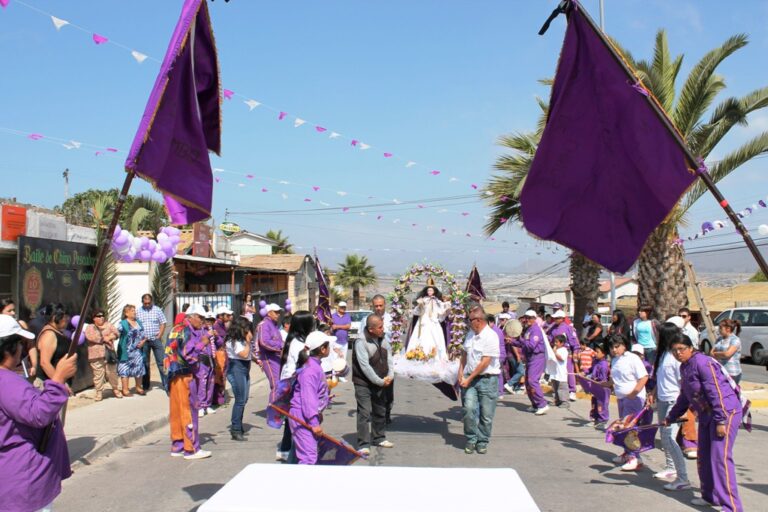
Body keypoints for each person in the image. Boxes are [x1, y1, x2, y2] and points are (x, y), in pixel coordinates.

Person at [0, 315, 78, 512]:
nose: (23, 349)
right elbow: (38, 413)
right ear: (9, 349)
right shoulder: (6, 382)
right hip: (22, 481)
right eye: (20, 343)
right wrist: (58, 378)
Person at [664, 335, 745, 510]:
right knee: (704, 456)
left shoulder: (702, 363)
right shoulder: (685, 366)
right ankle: (710, 496)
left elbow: (716, 392)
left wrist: (720, 420)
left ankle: (731, 506)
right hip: (707, 414)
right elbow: (685, 396)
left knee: (719, 458)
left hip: (725, 412)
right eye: (674, 350)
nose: (678, 353)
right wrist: (670, 417)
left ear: (690, 348)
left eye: (681, 349)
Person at [164, 304, 212, 460]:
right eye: (201, 318)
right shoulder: (187, 331)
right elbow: (189, 354)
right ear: (193, 316)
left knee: (177, 412)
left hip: (172, 375)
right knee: (189, 411)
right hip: (184, 374)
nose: (203, 322)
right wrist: (203, 342)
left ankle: (177, 445)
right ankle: (191, 448)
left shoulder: (175, 328)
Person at [648, 324, 691, 491]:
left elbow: (683, 383)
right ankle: (670, 467)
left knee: (670, 439)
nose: (655, 336)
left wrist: (683, 406)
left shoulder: (675, 357)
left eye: (657, 334)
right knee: (665, 438)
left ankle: (683, 478)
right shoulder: (664, 354)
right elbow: (661, 378)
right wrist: (653, 392)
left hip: (674, 402)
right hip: (663, 400)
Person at [458, 306, 500, 454]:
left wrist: (468, 378)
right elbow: (464, 355)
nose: (468, 323)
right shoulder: (470, 334)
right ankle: (471, 438)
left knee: (486, 415)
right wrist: (460, 373)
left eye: (470, 320)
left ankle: (482, 441)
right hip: (470, 380)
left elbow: (485, 362)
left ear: (479, 320)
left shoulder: (491, 336)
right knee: (468, 410)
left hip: (488, 380)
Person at [289, 331, 332, 464]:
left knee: (306, 454)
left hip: (306, 414)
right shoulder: (310, 370)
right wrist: (314, 422)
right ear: (323, 349)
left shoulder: (314, 366)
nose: (330, 348)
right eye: (328, 346)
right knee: (308, 457)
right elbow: (308, 398)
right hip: (302, 415)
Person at [353, 314, 394, 456]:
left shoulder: (383, 338)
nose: (383, 329)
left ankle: (379, 437)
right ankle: (363, 444)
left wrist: (390, 376)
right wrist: (380, 381)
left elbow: (390, 359)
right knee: (364, 412)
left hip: (381, 381)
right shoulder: (360, 342)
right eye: (380, 327)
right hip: (363, 383)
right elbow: (365, 367)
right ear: (371, 329)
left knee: (380, 410)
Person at [277, 311, 314, 460]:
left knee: (291, 418)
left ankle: (286, 449)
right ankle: (292, 452)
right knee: (296, 419)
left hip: (290, 382)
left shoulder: (295, 340)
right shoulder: (298, 344)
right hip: (294, 383)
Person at [608, 336, 649, 471]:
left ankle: (635, 457)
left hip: (633, 398)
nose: (614, 350)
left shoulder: (632, 358)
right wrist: (606, 384)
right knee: (623, 428)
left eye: (617, 346)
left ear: (624, 345)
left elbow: (644, 377)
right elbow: (616, 379)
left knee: (629, 428)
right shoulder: (614, 360)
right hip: (621, 397)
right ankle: (627, 452)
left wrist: (633, 393)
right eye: (612, 347)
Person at [510, 310, 549, 415]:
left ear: (534, 318)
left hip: (537, 358)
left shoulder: (535, 330)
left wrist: (521, 340)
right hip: (530, 358)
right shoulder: (529, 329)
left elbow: (531, 345)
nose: (526, 319)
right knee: (528, 382)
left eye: (529, 317)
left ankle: (542, 404)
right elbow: (524, 344)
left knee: (532, 381)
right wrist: (512, 341)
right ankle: (535, 404)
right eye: (525, 317)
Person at [225, 316, 253, 441]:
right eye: (246, 328)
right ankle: (236, 429)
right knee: (240, 400)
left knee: (244, 398)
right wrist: (248, 342)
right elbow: (244, 354)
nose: (248, 331)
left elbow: (248, 356)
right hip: (236, 368)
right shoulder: (234, 340)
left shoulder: (241, 339)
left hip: (244, 368)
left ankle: (238, 425)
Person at [84, 308, 121, 401]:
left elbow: (116, 333)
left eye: (102, 316)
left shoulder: (109, 325)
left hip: (109, 353)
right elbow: (91, 337)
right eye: (98, 316)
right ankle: (99, 392)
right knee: (98, 374)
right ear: (94, 318)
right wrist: (106, 338)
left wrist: (110, 337)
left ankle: (115, 389)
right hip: (96, 354)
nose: (101, 318)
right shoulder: (90, 327)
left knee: (112, 372)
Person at [407, 285, 451, 360]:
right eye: (428, 291)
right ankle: (419, 354)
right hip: (424, 320)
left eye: (431, 290)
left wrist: (446, 307)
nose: (429, 292)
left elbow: (440, 311)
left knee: (436, 338)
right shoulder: (423, 300)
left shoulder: (438, 301)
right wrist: (420, 305)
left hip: (434, 321)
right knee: (422, 338)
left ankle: (436, 357)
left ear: (434, 291)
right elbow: (418, 311)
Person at [370, 294, 395, 423]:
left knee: (388, 390)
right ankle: (376, 414)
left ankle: (387, 413)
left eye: (381, 305)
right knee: (374, 389)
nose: (378, 308)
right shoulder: (367, 320)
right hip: (373, 359)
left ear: (385, 305)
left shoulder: (393, 320)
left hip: (387, 359)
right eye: (376, 306)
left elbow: (396, 340)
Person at [136, 293, 167, 392]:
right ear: (142, 302)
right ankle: (145, 385)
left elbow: (163, 322)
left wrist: (160, 334)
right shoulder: (138, 312)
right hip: (144, 341)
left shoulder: (157, 310)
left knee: (161, 362)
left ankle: (166, 384)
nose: (147, 305)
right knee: (145, 363)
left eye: (149, 303)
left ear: (151, 302)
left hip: (155, 339)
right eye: (145, 303)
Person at [257, 303, 285, 411]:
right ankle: (274, 411)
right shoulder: (264, 324)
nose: (278, 314)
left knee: (279, 384)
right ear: (269, 313)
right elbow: (264, 342)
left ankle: (277, 409)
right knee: (276, 384)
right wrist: (280, 346)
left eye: (279, 312)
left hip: (276, 357)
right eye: (276, 312)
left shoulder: (274, 324)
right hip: (268, 358)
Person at [36, 304, 71, 387]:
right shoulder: (49, 335)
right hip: (48, 385)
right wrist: (60, 383)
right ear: (55, 317)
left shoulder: (56, 332)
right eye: (65, 317)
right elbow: (44, 363)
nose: (67, 319)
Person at [548, 309, 580, 400]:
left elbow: (573, 340)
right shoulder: (553, 328)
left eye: (557, 318)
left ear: (562, 318)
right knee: (557, 371)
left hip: (566, 351)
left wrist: (575, 351)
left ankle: (572, 391)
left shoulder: (568, 328)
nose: (555, 320)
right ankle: (557, 391)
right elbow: (550, 338)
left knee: (569, 371)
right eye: (555, 318)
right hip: (555, 352)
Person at [1, 298, 36, 379]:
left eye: (14, 310)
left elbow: (31, 346)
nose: (13, 313)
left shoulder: (21, 324)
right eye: (9, 311)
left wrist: (34, 366)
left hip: (22, 371)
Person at [117, 304, 147, 397]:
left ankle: (138, 387)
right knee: (124, 369)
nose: (135, 312)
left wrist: (143, 342)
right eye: (132, 311)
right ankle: (125, 390)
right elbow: (117, 333)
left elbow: (144, 335)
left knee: (138, 368)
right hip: (126, 351)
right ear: (126, 313)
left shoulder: (139, 322)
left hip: (137, 351)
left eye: (134, 310)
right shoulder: (123, 323)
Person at [196, 310, 217, 416]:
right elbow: (197, 345)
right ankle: (200, 406)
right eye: (207, 320)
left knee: (210, 382)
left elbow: (219, 343)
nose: (209, 322)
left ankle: (208, 405)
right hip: (203, 359)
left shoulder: (213, 330)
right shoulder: (199, 330)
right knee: (202, 383)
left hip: (211, 359)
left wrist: (217, 337)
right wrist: (208, 335)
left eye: (212, 320)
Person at [212, 305, 232, 408]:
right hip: (219, 353)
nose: (229, 317)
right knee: (219, 376)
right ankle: (216, 398)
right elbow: (219, 342)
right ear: (220, 315)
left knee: (222, 376)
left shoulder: (223, 325)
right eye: (227, 315)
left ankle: (220, 398)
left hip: (224, 353)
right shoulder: (216, 326)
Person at [586, 342, 610, 429]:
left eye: (597, 351)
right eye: (595, 351)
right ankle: (594, 419)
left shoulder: (604, 364)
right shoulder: (595, 361)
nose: (595, 353)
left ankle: (603, 421)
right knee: (594, 403)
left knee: (602, 404)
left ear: (603, 353)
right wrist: (584, 372)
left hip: (602, 388)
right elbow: (590, 370)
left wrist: (595, 379)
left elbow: (603, 378)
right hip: (595, 386)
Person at [711, 319, 742, 385]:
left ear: (728, 329)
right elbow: (711, 352)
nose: (719, 330)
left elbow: (727, 354)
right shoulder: (719, 339)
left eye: (720, 328)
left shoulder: (735, 339)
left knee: (731, 393)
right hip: (721, 371)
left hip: (732, 373)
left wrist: (716, 354)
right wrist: (720, 354)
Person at [487, 315, 507, 398]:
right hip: (498, 354)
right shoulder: (494, 330)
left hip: (498, 354)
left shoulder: (495, 331)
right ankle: (498, 391)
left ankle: (500, 392)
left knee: (498, 373)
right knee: (496, 372)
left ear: (491, 322)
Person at [551, 335, 569, 408]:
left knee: (562, 388)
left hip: (561, 373)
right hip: (555, 373)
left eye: (557, 342)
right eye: (555, 342)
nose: (555, 343)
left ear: (562, 343)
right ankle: (557, 400)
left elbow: (561, 359)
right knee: (555, 387)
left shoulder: (564, 350)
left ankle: (565, 402)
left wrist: (555, 353)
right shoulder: (556, 350)